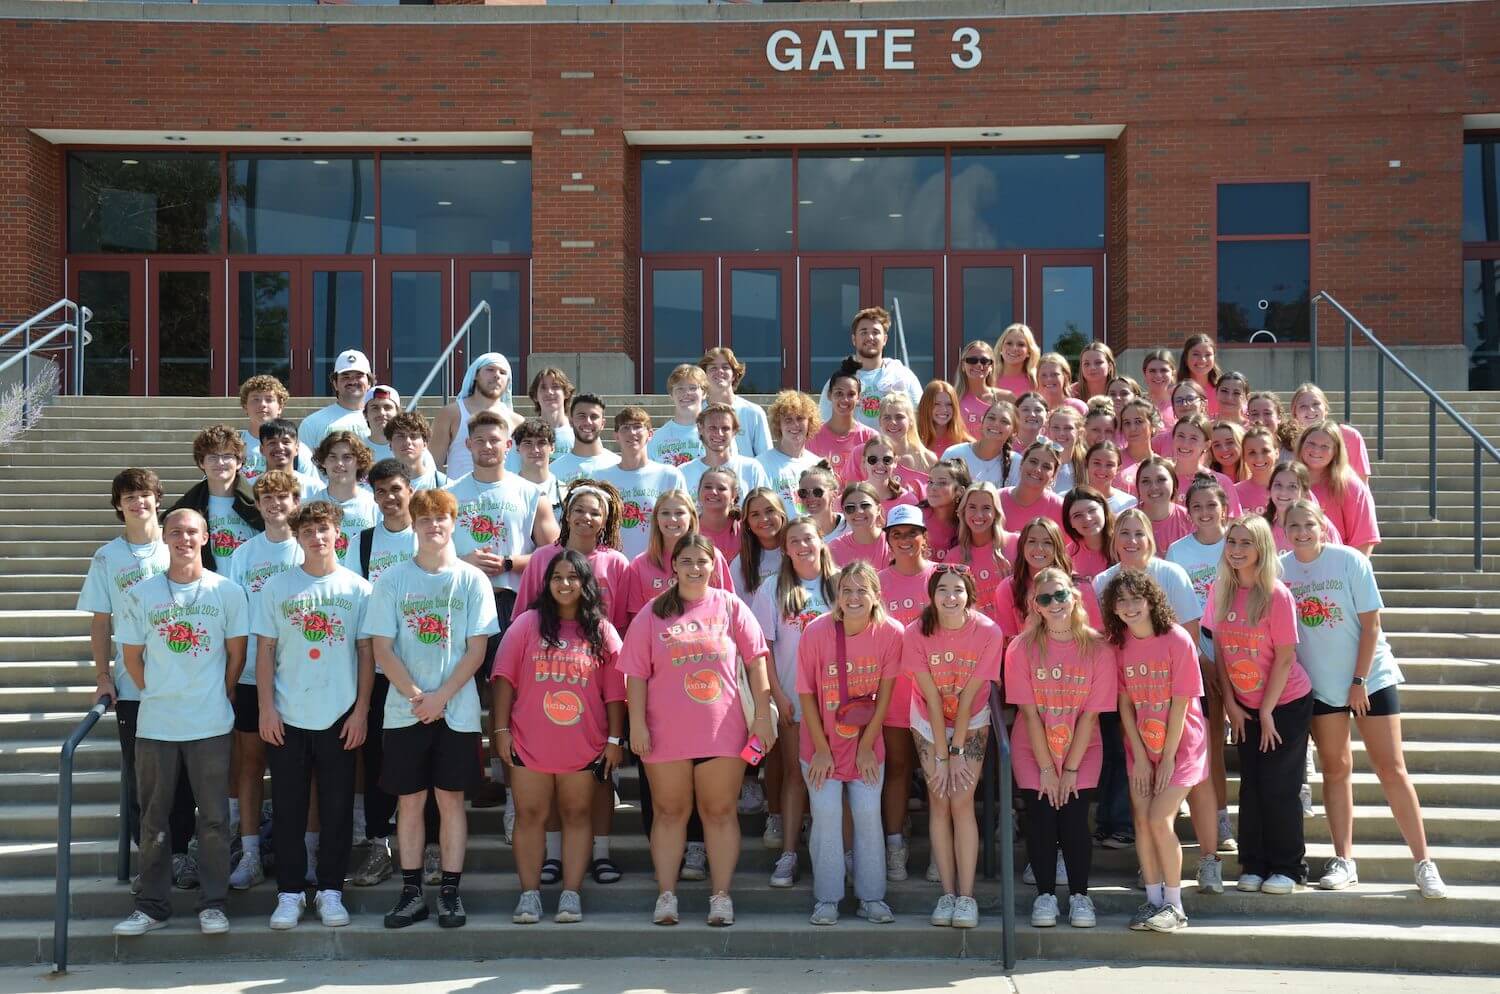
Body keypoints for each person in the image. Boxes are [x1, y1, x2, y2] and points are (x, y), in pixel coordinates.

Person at [1278, 501, 1447, 899]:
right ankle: (1344, 860)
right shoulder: (1281, 568)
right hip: (1320, 687)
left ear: (1322, 526)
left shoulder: (1349, 560)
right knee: (1336, 769)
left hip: (1370, 678)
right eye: (1293, 525)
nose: (1301, 531)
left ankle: (1424, 863)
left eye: (1309, 524)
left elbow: (1372, 624)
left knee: (1391, 768)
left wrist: (1359, 680)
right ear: (1283, 528)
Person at [621, 533, 775, 928]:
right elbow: (635, 675)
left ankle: (720, 896)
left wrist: (761, 714)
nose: (694, 568)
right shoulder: (652, 612)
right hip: (665, 732)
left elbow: (757, 661)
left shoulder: (730, 605)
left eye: (701, 561)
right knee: (670, 812)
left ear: (713, 566)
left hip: (721, 729)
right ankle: (666, 895)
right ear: (673, 566)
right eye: (686, 560)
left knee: (720, 812)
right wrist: (636, 723)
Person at [364, 488, 501, 929]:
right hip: (406, 711)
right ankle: (410, 893)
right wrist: (417, 696)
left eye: (441, 518)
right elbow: (382, 648)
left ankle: (449, 893)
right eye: (425, 519)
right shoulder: (392, 579)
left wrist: (441, 697)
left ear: (453, 523)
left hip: (455, 710)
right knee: (409, 801)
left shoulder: (471, 579)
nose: (433, 525)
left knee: (450, 801)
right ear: (415, 525)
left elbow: (477, 649)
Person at [112, 509, 248, 938]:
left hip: (210, 723)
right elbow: (132, 658)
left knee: (213, 819)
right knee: (154, 820)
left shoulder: (227, 591)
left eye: (192, 532)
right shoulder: (142, 593)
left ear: (206, 537)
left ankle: (213, 904)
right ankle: (151, 905)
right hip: (156, 724)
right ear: (165, 538)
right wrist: (159, 690)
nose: (184, 539)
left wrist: (217, 691)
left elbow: (236, 655)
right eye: (176, 532)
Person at [254, 500, 373, 930]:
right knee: (287, 808)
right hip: (287, 714)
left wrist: (360, 711)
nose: (317, 537)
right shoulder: (277, 587)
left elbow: (366, 655)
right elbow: (265, 652)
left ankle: (330, 892)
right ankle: (289, 893)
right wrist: (266, 707)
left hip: (339, 716)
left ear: (337, 532)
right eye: (308, 531)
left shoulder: (358, 589)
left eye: (324, 529)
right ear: (298, 537)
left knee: (337, 808)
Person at [492, 550, 626, 925]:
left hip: (584, 745)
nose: (564, 584)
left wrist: (615, 740)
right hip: (529, 742)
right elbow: (503, 680)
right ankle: (529, 896)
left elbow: (616, 692)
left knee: (577, 814)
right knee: (530, 815)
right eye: (556, 577)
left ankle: (571, 894)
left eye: (572, 577)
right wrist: (500, 731)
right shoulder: (526, 624)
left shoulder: (601, 630)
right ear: (546, 583)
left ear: (586, 584)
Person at [1006, 567, 1115, 930]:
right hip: (1032, 747)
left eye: (1060, 596)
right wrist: (1047, 769)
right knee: (1040, 821)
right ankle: (1045, 895)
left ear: (1074, 597)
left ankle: (1081, 896)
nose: (1055, 604)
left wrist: (1067, 769)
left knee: (1073, 820)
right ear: (1035, 605)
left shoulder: (1098, 647)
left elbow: (1089, 716)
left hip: (1082, 748)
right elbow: (1029, 713)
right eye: (1045, 598)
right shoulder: (1020, 647)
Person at [1210, 515, 1314, 894]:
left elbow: (1286, 658)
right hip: (1245, 705)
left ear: (1261, 549)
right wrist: (1233, 705)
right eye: (1232, 542)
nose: (1236, 550)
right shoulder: (1220, 590)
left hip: (1284, 703)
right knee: (1251, 786)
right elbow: (1220, 650)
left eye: (1245, 543)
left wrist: (1267, 711)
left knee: (1279, 786)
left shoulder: (1276, 594)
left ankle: (1288, 867)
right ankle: (1252, 864)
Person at [1102, 568, 1208, 933]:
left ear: (1151, 601)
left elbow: (1181, 705)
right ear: (1113, 608)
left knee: (1161, 819)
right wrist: (1142, 758)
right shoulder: (1119, 646)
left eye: (1136, 598)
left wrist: (1165, 759)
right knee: (1142, 821)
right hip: (1142, 748)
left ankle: (1175, 906)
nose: (1129, 607)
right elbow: (1125, 706)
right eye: (1122, 600)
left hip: (1181, 746)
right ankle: (1152, 900)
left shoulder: (1176, 639)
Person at [78, 469, 173, 880]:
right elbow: (101, 622)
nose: (139, 503)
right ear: (119, 505)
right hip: (134, 685)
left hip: (185, 679)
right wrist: (103, 676)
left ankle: (182, 854)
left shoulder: (178, 545)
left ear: (158, 500)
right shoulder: (107, 556)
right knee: (140, 777)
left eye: (145, 495)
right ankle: (148, 861)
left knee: (183, 777)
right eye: (130, 497)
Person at [797, 562, 902, 926]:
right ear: (837, 597)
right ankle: (827, 898)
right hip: (820, 744)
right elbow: (806, 694)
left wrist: (866, 746)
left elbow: (885, 696)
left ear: (875, 596)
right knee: (826, 817)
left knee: (868, 816)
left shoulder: (890, 633)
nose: (854, 597)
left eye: (862, 590)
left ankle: (871, 897)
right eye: (846, 590)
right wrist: (822, 749)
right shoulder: (816, 631)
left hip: (866, 746)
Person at [903, 563, 1006, 929]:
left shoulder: (988, 631)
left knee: (961, 801)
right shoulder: (915, 631)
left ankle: (967, 897)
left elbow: (972, 694)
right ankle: (946, 893)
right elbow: (930, 696)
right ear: (931, 595)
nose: (950, 597)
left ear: (969, 595)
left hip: (971, 716)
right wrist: (942, 757)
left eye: (957, 589)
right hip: (928, 719)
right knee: (939, 799)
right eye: (942, 589)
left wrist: (957, 752)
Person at [223, 470, 306, 891]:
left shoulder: (308, 547)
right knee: (251, 763)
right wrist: (233, 676)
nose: (275, 505)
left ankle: (304, 851)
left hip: (305, 679)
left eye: (283, 497)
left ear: (297, 501)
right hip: (255, 675)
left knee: (301, 770)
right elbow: (235, 621)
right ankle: (251, 852)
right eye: (266, 498)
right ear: (256, 505)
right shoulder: (243, 555)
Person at [751, 518, 838, 887]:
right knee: (794, 775)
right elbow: (763, 649)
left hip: (838, 701)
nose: (802, 545)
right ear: (784, 548)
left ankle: (835, 852)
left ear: (822, 541)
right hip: (792, 697)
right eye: (794, 541)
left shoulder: (839, 585)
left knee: (836, 777)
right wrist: (777, 694)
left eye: (808, 537)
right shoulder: (772, 588)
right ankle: (789, 853)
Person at [348, 460, 419, 888]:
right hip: (377, 668)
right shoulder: (362, 542)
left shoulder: (426, 534)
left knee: (422, 757)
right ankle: (379, 843)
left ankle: (428, 847)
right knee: (376, 759)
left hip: (425, 668)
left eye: (396, 488)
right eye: (381, 492)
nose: (390, 498)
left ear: (410, 489)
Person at [1165, 476, 1237, 861]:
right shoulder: (1178, 551)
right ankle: (1215, 819)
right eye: (1197, 507)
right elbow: (1176, 609)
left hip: (1241, 647)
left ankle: (1223, 813)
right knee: (1207, 740)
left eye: (1212, 505)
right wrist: (1200, 655)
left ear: (1225, 506)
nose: (1205, 513)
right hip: (1197, 649)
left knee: (1225, 744)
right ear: (1187, 511)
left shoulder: (1237, 543)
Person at [445, 410, 560, 638]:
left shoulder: (532, 494)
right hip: (461, 599)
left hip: (513, 602)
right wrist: (463, 562)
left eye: (494, 440)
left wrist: (509, 563)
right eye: (480, 440)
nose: (487, 446)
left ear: (508, 444)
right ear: (468, 444)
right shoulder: (447, 495)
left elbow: (555, 554)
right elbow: (428, 553)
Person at [874, 505, 935, 881]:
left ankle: (935, 852)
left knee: (934, 775)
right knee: (897, 770)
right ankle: (894, 846)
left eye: (912, 532)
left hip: (936, 695)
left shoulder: (940, 578)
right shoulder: (877, 582)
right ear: (888, 540)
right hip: (893, 693)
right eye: (897, 534)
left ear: (924, 536)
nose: (906, 540)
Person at [620, 490, 733, 623]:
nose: (672, 519)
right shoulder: (640, 564)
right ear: (656, 518)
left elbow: (727, 608)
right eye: (665, 513)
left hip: (705, 638)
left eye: (679, 513)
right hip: (657, 641)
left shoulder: (711, 556)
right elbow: (637, 620)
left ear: (691, 517)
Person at [597, 407, 688, 561]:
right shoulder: (601, 477)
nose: (632, 433)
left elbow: (686, 522)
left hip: (658, 563)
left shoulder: (669, 475)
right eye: (625, 428)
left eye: (638, 427)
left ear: (650, 434)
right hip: (614, 565)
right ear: (616, 436)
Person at [169, 425, 264, 570]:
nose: (220, 463)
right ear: (202, 462)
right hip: (208, 587)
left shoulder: (259, 503)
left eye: (227, 456)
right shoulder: (188, 507)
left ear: (239, 462)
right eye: (213, 457)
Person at [816, 307, 923, 432]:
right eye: (864, 332)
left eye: (876, 332)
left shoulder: (903, 376)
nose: (870, 337)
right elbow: (824, 426)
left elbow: (920, 418)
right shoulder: (838, 382)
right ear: (854, 339)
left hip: (893, 450)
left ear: (885, 339)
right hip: (851, 451)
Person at [432, 352, 522, 479]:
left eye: (503, 372)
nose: (496, 375)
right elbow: (433, 465)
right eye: (490, 370)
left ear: (508, 382)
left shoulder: (517, 422)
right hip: (459, 496)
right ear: (475, 375)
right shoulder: (451, 414)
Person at [1298, 419, 1380, 556]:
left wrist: (1349, 574)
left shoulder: (1351, 486)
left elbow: (1364, 540)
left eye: (1325, 446)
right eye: (1311, 443)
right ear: (1300, 445)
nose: (1316, 450)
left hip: (1335, 569)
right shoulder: (1287, 481)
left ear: (1336, 451)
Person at [308, 430, 379, 567]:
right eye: (332, 457)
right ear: (323, 462)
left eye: (347, 457)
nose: (339, 463)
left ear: (359, 462)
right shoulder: (310, 506)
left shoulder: (374, 504)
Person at [952, 481, 1017, 622]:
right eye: (972, 507)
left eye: (986, 508)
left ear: (996, 512)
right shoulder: (952, 558)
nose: (979, 515)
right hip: (977, 637)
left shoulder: (1016, 544)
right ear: (963, 511)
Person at [809, 359, 880, 487]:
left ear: (859, 398)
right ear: (829, 395)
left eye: (851, 394)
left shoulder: (870, 438)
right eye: (839, 393)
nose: (845, 399)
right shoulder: (813, 436)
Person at [679, 402, 770, 499]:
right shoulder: (684, 472)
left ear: (734, 432)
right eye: (712, 428)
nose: (719, 433)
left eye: (725, 428)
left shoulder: (752, 469)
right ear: (700, 429)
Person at [237, 374, 314, 479]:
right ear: (245, 407)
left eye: (269, 399)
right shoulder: (234, 446)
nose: (263, 404)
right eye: (256, 399)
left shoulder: (298, 450)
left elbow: (309, 489)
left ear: (280, 407)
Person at [757, 390, 822, 515]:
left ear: (810, 422)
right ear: (778, 425)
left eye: (800, 418)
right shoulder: (760, 465)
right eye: (788, 420)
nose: (795, 425)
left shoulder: (819, 465)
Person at [701, 346, 772, 459]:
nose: (719, 371)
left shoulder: (753, 412)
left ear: (734, 375)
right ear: (704, 376)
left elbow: (765, 457)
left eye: (725, 367)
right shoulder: (696, 412)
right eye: (713, 368)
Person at [1291, 383, 1372, 480]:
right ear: (1294, 412)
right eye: (1303, 406)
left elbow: (1362, 482)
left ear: (1325, 408)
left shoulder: (1349, 436)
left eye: (1316, 404)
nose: (1310, 410)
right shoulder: (1289, 441)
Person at [504, 365, 577, 473]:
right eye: (543, 387)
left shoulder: (578, 432)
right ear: (535, 396)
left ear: (566, 393)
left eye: (555, 386)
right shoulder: (523, 433)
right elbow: (512, 474)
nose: (549, 392)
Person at [299, 349, 374, 452]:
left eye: (359, 376)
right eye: (345, 377)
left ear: (369, 382)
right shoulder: (312, 424)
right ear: (335, 383)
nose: (352, 381)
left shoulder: (381, 420)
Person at [1265, 460, 1342, 553]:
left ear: (1305, 492)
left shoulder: (1321, 526)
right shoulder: (1264, 529)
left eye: (1292, 486)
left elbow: (1337, 562)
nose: (1283, 492)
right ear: (1270, 488)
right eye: (1278, 485)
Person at [648, 364, 710, 468]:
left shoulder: (717, 434)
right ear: (671, 394)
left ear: (704, 393)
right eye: (680, 388)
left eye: (693, 388)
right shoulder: (656, 439)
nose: (686, 393)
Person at [943, 398, 1016, 486]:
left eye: (1004, 421)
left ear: (1014, 432)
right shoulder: (954, 454)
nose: (996, 423)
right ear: (982, 422)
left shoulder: (1016, 463)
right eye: (991, 418)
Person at [734, 488, 789, 602]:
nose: (764, 519)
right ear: (747, 522)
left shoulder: (799, 551)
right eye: (755, 514)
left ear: (781, 514)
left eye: (770, 511)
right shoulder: (740, 564)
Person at [999, 441, 1065, 533]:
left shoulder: (1061, 509)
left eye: (1046, 467)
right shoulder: (996, 499)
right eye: (1033, 462)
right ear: (1021, 463)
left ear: (1053, 475)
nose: (1037, 469)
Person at [1133, 456, 1193, 554]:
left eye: (1161, 479)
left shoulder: (1190, 519)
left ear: (1174, 483)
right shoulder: (1125, 520)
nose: (1154, 487)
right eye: (1146, 481)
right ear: (1138, 486)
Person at [256, 419, 324, 499]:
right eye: (272, 443)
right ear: (261, 449)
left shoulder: (314, 488)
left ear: (297, 448)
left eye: (286, 442)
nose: (279, 447)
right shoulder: (251, 486)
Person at [510, 418, 564, 516]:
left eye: (541, 443)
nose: (535, 450)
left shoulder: (565, 493)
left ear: (552, 447)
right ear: (517, 447)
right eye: (528, 443)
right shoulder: (507, 492)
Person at [828, 482, 888, 569]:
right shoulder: (834, 549)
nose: (859, 511)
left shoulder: (892, 543)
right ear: (844, 512)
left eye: (865, 505)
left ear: (878, 509)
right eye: (850, 507)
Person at [919, 458, 970, 558]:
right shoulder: (915, 517)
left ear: (959, 491)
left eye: (942, 483)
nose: (933, 488)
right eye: (930, 482)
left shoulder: (969, 522)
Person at [386, 412, 448, 492]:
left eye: (413, 436)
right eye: (400, 436)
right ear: (390, 444)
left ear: (425, 443)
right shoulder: (380, 485)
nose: (407, 441)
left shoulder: (443, 483)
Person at [1062, 486, 1114, 581]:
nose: (1087, 518)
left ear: (1104, 510)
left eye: (1092, 510)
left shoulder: (1123, 545)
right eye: (1078, 515)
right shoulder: (1067, 556)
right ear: (1070, 523)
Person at [861, 437, 923, 515]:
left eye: (887, 460)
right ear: (864, 462)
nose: (880, 465)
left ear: (895, 462)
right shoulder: (851, 498)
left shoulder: (908, 501)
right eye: (873, 459)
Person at [953, 340, 1003, 433]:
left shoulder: (1004, 398)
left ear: (991, 367)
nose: (978, 364)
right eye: (972, 360)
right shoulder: (952, 398)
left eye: (984, 361)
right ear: (963, 365)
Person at [696, 467, 743, 565]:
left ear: (733, 496)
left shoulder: (746, 529)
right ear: (699, 492)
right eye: (708, 487)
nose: (713, 492)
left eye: (721, 488)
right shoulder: (688, 529)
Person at [917, 379, 970, 458]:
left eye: (949, 404)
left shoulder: (966, 444)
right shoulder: (913, 440)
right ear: (926, 405)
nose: (944, 409)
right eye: (937, 404)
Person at [1082, 441, 1136, 516]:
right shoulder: (1070, 499)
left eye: (1109, 465)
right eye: (1097, 463)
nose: (1102, 470)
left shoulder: (1129, 503)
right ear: (1086, 464)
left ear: (1118, 469)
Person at [797, 463, 848, 542]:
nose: (810, 497)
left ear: (834, 494)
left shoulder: (851, 526)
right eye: (803, 492)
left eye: (817, 492)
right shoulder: (796, 530)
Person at [1236, 426, 1281, 515]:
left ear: (1277, 453)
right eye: (1252, 452)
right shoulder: (1234, 492)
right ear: (1244, 457)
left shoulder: (1293, 488)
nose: (1259, 458)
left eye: (1265, 451)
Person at [1177, 335, 1223, 417]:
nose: (1202, 360)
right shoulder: (1175, 391)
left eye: (1208, 354)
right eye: (1196, 354)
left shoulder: (1223, 391)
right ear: (1185, 358)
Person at [1247, 391, 1299, 461]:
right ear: (1248, 418)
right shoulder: (1242, 448)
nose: (1260, 419)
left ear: (1279, 417)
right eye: (1255, 414)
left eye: (1267, 413)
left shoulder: (1295, 449)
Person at [995, 323, 1041, 399]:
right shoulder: (989, 378)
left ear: (1029, 352)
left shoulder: (1036, 380)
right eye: (1009, 343)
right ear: (1001, 348)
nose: (1014, 348)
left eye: (1021, 344)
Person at [362, 384, 405, 463]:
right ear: (365, 414)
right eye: (375, 408)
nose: (382, 413)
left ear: (398, 413)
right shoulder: (356, 449)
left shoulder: (410, 448)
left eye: (387, 407)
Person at [1141, 349, 1178, 429]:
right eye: (1152, 371)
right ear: (1145, 373)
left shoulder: (1181, 403)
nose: (1158, 375)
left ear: (1173, 373)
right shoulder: (1136, 404)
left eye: (1164, 370)